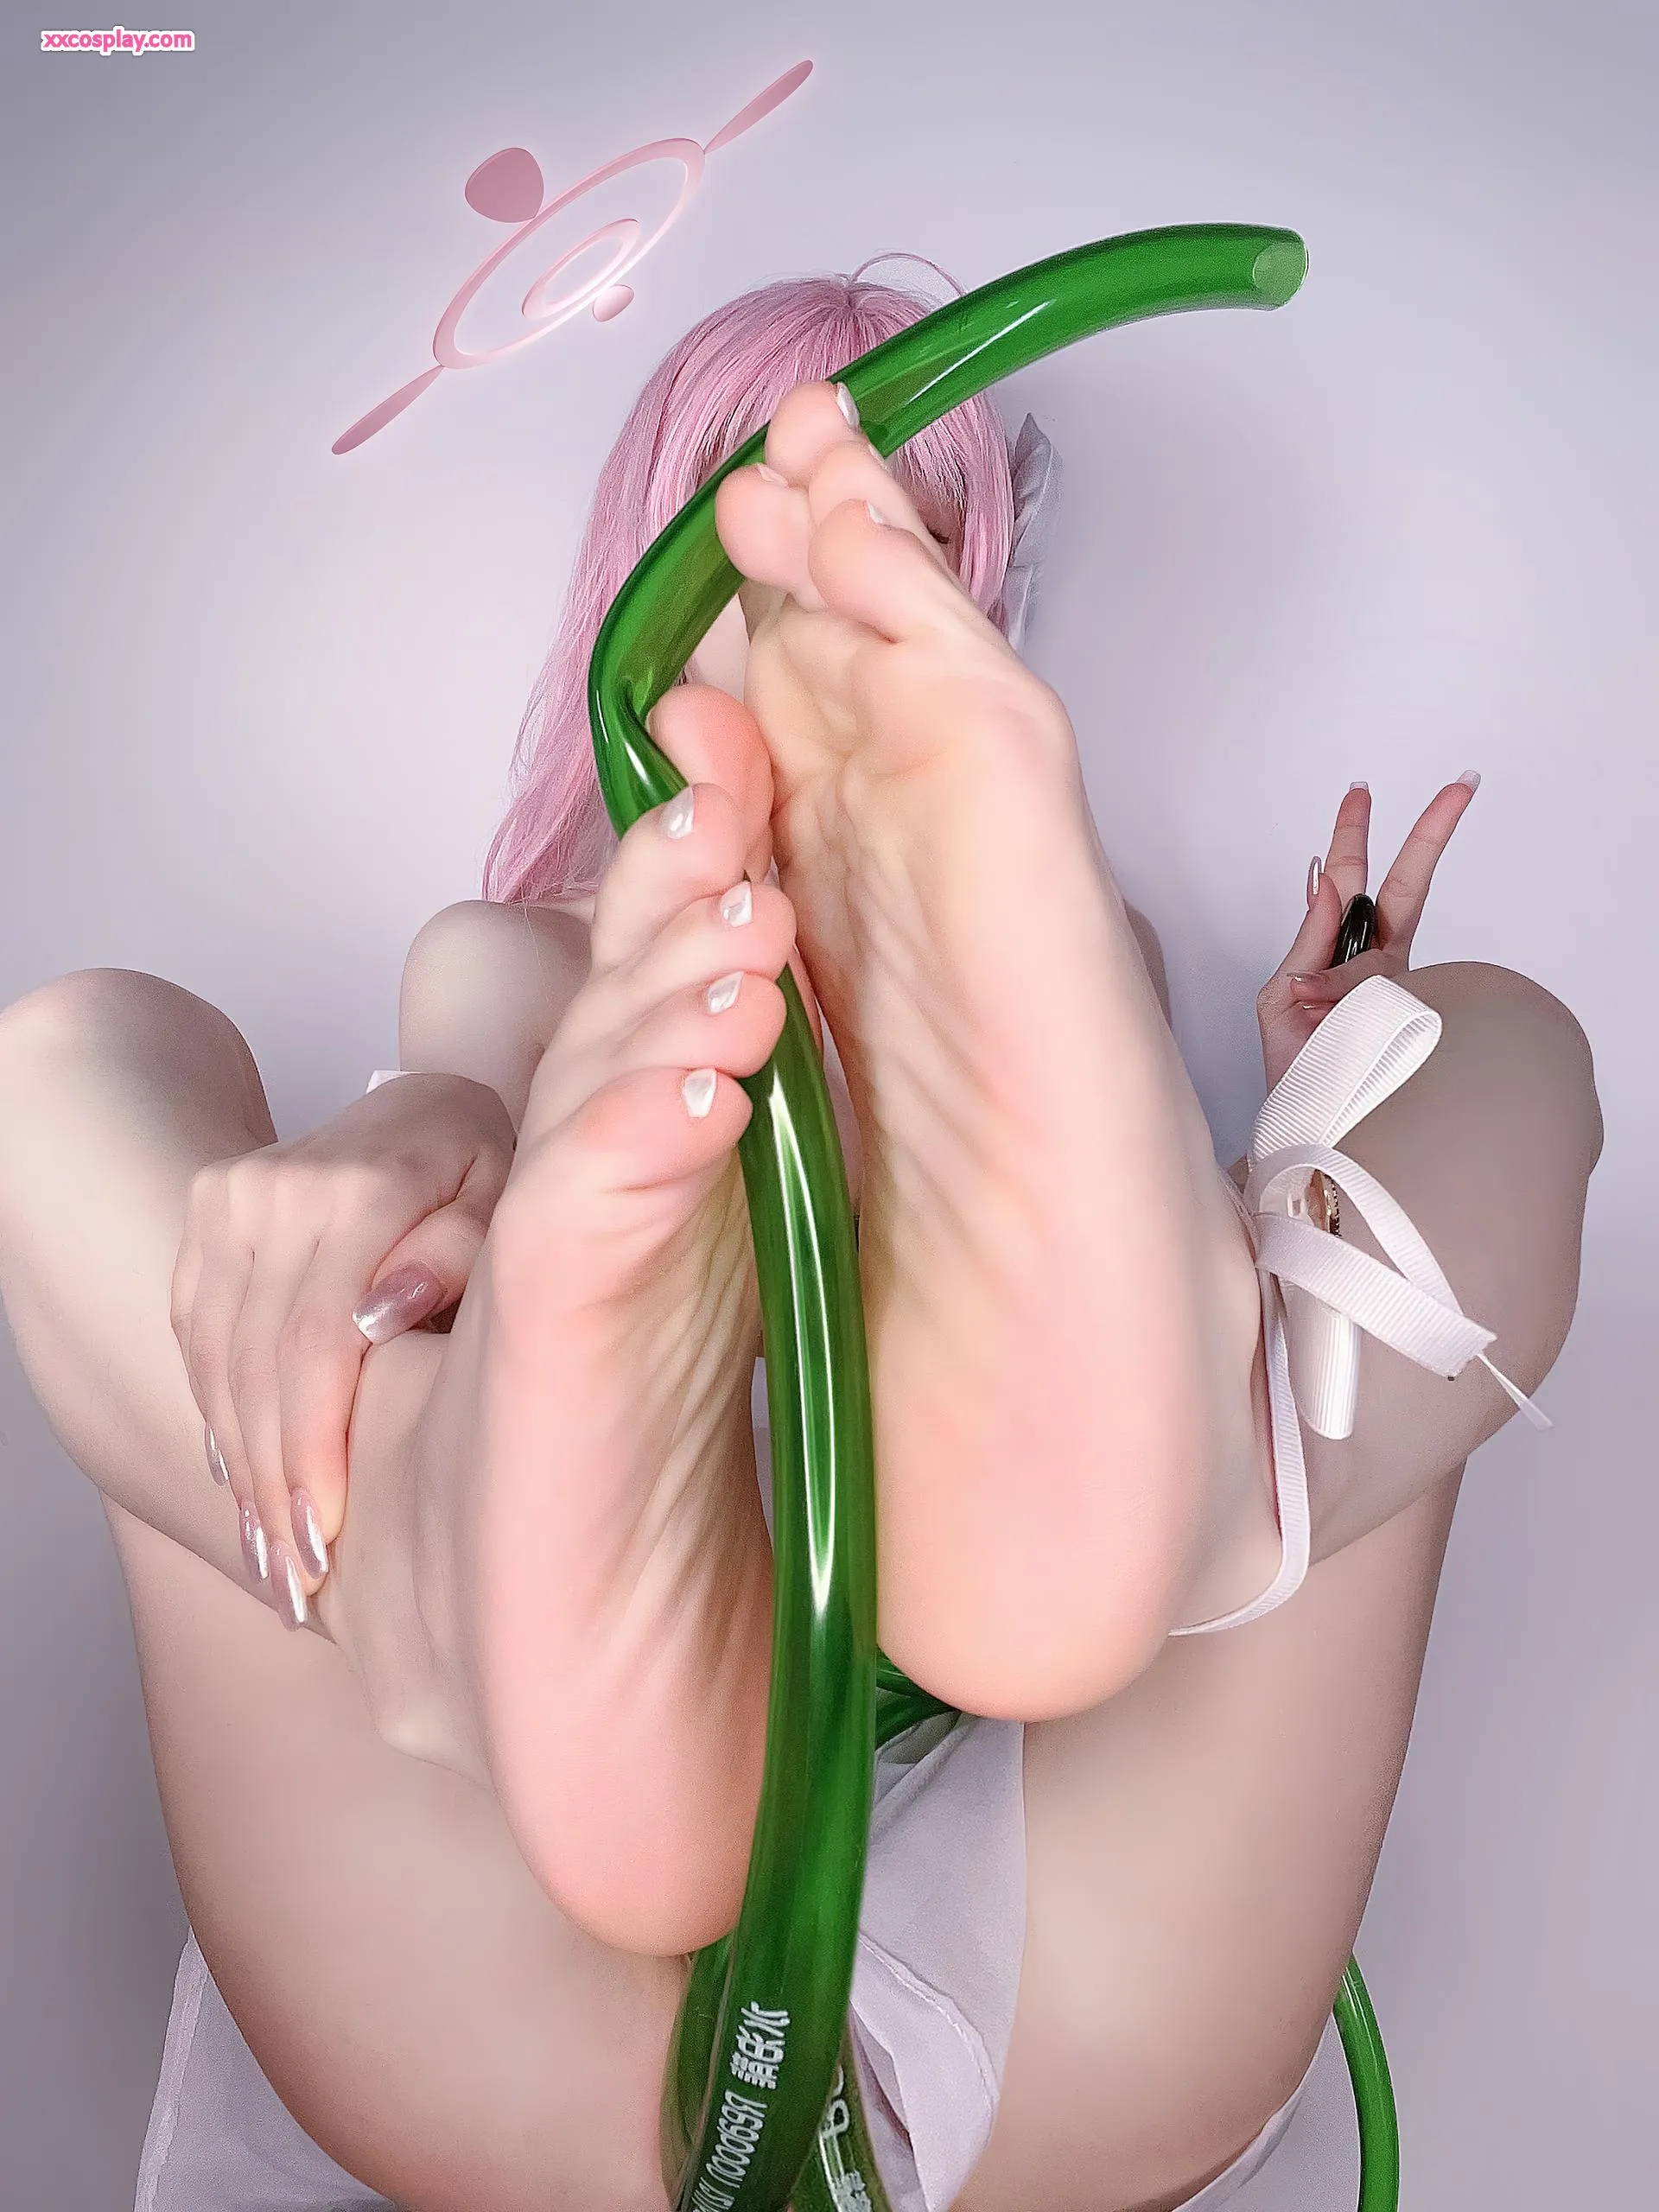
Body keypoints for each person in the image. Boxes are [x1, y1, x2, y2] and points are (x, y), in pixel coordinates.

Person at [0, 260, 1602, 2212]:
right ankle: (453, 1552)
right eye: (764, 538)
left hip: (722, 1984)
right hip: (772, 1953)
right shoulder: (529, 969)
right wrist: (404, 1172)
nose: (823, 596)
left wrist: (1333, 1103)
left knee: (1474, 1040)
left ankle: (1182, 1482)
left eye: (900, 543)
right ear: (651, 579)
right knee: (72, 1061)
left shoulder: (1042, 972)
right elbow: (483, 1089)